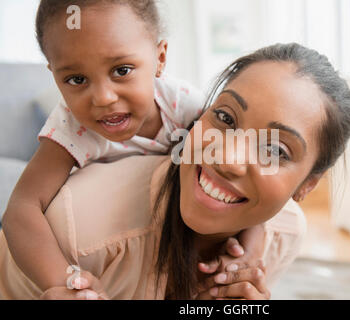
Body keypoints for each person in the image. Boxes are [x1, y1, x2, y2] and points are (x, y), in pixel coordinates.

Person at [0, 42, 350, 299]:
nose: (227, 159)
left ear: (306, 187)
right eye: (226, 118)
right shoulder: (83, 229)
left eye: (274, 150)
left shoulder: (285, 232)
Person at [0, 0, 265, 295]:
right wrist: (63, 281)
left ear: (160, 58)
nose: (102, 98)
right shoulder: (71, 126)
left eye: (122, 70)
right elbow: (22, 209)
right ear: (54, 75)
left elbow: (240, 185)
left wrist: (250, 250)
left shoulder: (186, 108)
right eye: (76, 79)